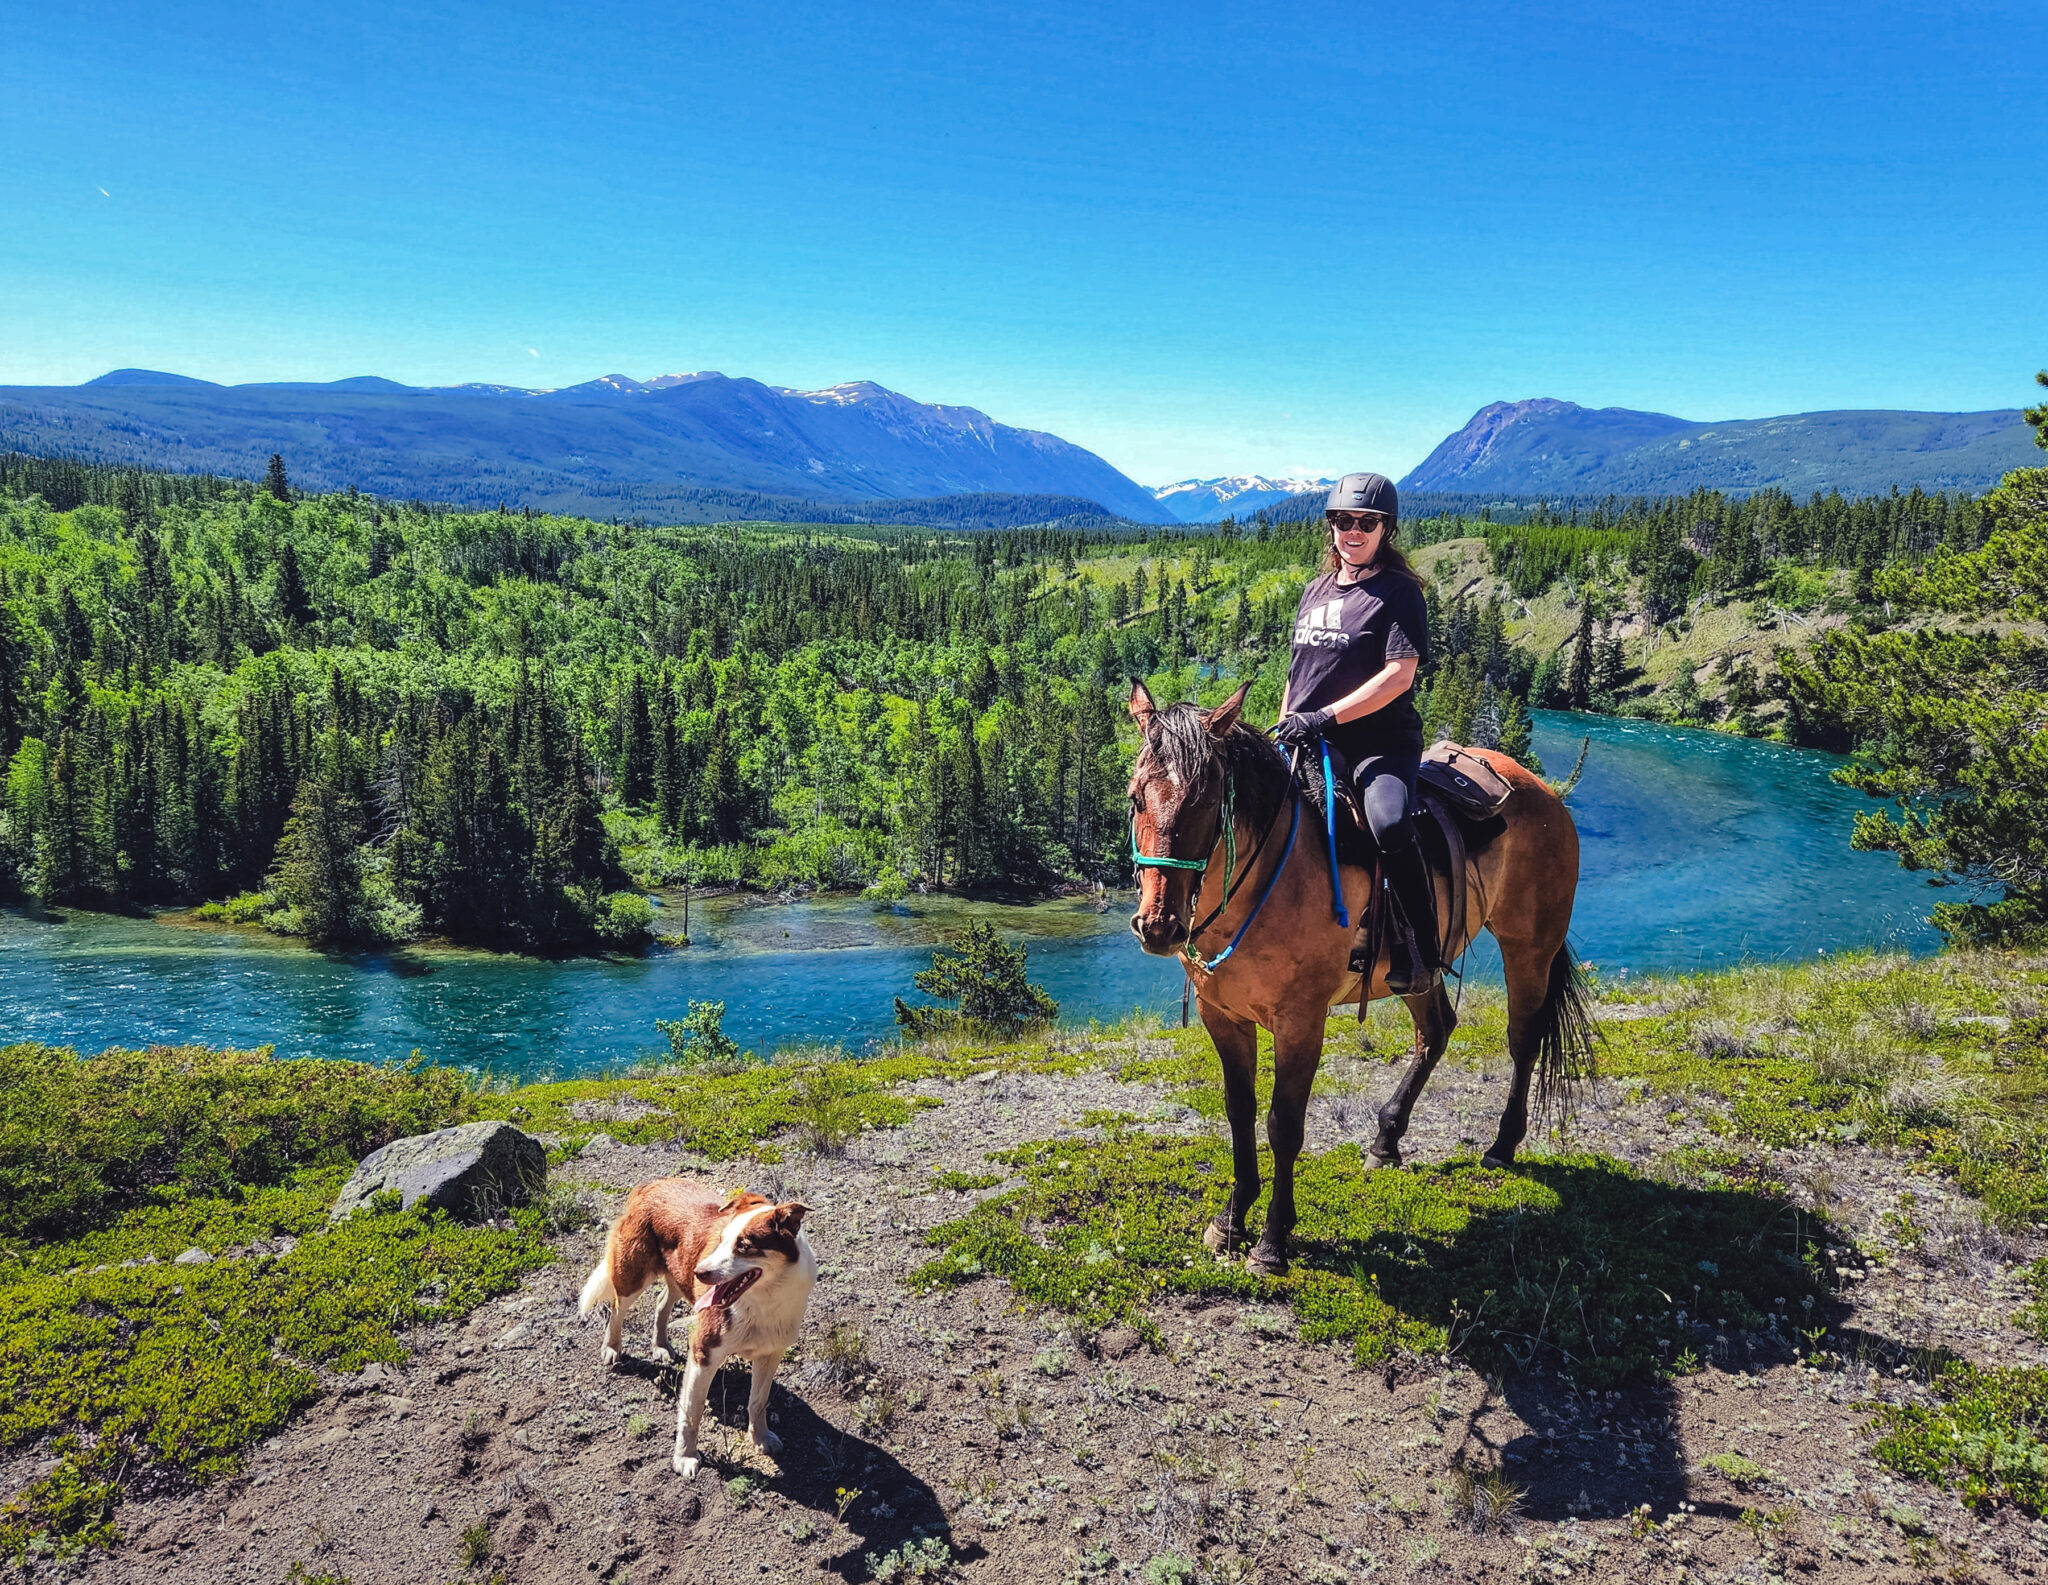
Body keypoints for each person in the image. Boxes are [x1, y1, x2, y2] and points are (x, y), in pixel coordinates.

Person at [1274, 472, 1439, 991]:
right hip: (1307, 738)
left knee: (1389, 824)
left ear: (1385, 528)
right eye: (1342, 520)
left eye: (1365, 522)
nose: (1353, 530)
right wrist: (1286, 725)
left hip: (1377, 743)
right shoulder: (1314, 590)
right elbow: (1297, 672)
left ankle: (1422, 947)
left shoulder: (1398, 594)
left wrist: (1324, 718)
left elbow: (1399, 676)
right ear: (1331, 526)